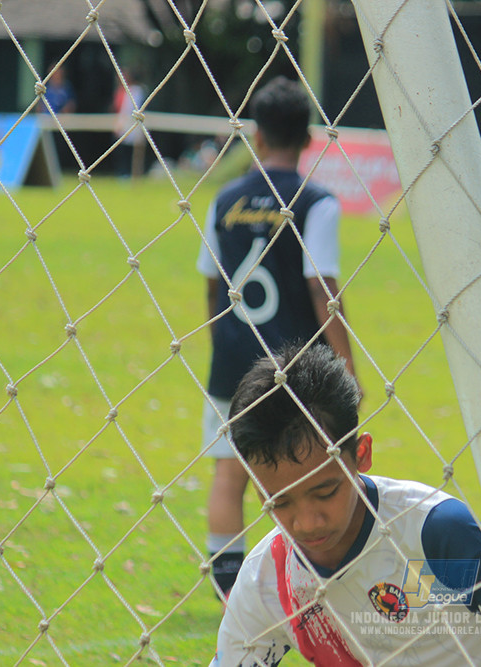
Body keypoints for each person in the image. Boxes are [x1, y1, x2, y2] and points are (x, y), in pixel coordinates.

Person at [210, 343, 481, 666]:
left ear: (361, 455)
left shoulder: (433, 532)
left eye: (325, 493)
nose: (307, 522)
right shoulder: (265, 580)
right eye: (280, 501)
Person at [197, 75, 358, 601]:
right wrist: (347, 366)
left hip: (233, 359)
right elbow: (322, 288)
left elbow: (211, 280)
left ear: (257, 136)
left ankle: (229, 595)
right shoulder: (317, 203)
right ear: (309, 137)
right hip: (298, 370)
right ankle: (312, 584)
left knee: (230, 475)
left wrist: (223, 339)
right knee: (307, 476)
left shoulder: (224, 199)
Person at [111, 70, 146, 177]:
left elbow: (130, 108)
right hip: (123, 123)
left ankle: (133, 173)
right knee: (122, 149)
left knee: (134, 150)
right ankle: (123, 172)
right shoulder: (122, 91)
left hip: (133, 123)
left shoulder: (137, 91)